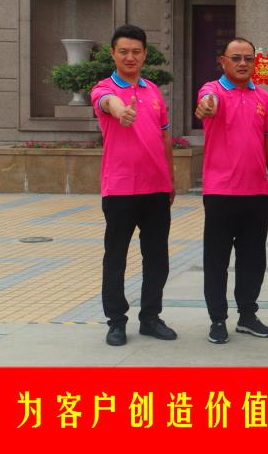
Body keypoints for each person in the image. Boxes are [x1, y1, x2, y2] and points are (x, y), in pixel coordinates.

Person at [91, 24, 176, 347]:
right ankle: (116, 321)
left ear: (145, 54)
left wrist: (170, 179)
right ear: (113, 54)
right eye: (124, 51)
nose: (130, 57)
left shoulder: (153, 91)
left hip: (156, 189)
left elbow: (164, 138)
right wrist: (120, 111)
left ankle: (151, 318)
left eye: (136, 52)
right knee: (116, 257)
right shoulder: (103, 88)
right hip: (120, 190)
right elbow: (107, 102)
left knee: (157, 257)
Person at [195, 37, 268, 344]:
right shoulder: (212, 91)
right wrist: (206, 106)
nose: (243, 63)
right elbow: (205, 104)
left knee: (253, 259)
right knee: (216, 260)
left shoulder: (262, 97)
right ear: (223, 61)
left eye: (248, 58)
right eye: (236, 58)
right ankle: (217, 319)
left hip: (256, 191)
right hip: (220, 192)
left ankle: (247, 315)